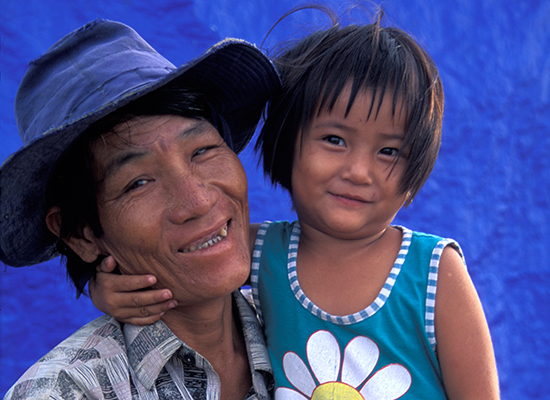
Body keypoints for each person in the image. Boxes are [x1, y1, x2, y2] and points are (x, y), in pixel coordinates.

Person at [90, 8, 500, 399]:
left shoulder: (433, 273)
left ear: (416, 172)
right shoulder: (265, 254)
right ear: (286, 144)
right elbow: (181, 261)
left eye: (389, 152)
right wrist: (108, 290)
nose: (359, 171)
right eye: (334, 140)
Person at [0, 19, 281, 400]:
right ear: (80, 233)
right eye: (138, 183)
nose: (198, 202)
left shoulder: (306, 325)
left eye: (202, 151)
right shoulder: (65, 392)